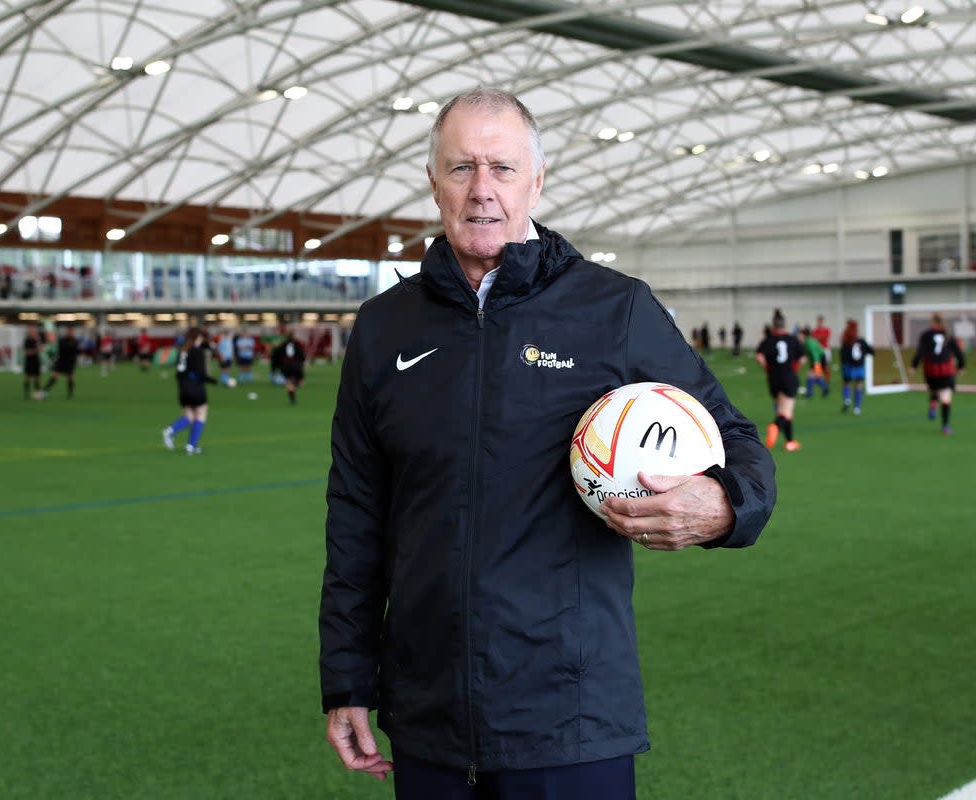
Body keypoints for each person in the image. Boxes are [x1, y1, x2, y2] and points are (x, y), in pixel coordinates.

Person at [319, 87, 776, 800]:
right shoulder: (383, 328)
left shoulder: (613, 309)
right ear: (432, 179)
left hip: (571, 714)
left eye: (502, 168)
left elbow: (739, 441)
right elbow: (355, 515)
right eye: (461, 167)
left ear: (537, 180)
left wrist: (724, 503)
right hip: (427, 715)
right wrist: (346, 678)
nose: (482, 191)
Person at [755, 309, 804, 451]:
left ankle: (789, 441)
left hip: (773, 378)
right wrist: (795, 368)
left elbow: (759, 356)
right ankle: (775, 426)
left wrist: (767, 368)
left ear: (773, 326)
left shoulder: (768, 340)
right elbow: (802, 358)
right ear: (785, 325)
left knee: (783, 410)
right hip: (789, 376)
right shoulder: (792, 340)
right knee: (786, 412)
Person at [161, 327, 215, 455]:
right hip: (195, 387)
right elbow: (201, 373)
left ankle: (170, 431)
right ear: (198, 338)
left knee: (190, 416)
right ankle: (190, 445)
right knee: (202, 412)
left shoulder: (182, 351)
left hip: (183, 387)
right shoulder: (197, 351)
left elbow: (178, 371)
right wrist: (212, 381)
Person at [911, 312, 965, 434]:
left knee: (934, 389)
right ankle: (945, 426)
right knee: (946, 396)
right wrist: (962, 366)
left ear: (932, 322)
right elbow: (958, 352)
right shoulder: (948, 335)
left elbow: (920, 352)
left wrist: (914, 366)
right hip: (945, 370)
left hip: (930, 370)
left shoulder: (925, 335)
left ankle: (933, 403)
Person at [839, 319, 874, 415]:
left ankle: (847, 399)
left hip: (848, 367)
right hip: (860, 367)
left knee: (846, 383)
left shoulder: (845, 341)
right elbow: (871, 351)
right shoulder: (861, 340)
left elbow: (842, 355)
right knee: (858, 386)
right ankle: (857, 408)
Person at [41, 325, 79, 398]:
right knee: (55, 376)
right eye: (70, 331)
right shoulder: (62, 340)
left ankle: (70, 394)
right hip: (61, 361)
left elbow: (75, 351)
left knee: (70, 377)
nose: (71, 333)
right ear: (67, 332)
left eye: (72, 331)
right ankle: (45, 390)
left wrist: (74, 359)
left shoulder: (74, 340)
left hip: (70, 362)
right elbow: (63, 349)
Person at [271, 328, 306, 405]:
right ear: (293, 336)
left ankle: (292, 397)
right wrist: (303, 363)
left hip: (285, 366)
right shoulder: (297, 343)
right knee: (301, 382)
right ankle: (294, 388)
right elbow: (301, 354)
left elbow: (275, 355)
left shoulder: (282, 344)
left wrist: (275, 366)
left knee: (289, 382)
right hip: (296, 366)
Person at [799, 327, 829, 399]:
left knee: (811, 375)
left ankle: (810, 393)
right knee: (815, 376)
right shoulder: (808, 341)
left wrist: (815, 365)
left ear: (804, 335)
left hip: (818, 359)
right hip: (819, 359)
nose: (799, 337)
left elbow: (814, 354)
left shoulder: (809, 342)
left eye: (800, 335)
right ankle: (824, 388)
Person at [22, 324, 42, 399]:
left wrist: (37, 343)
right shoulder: (27, 340)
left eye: (34, 331)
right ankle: (26, 393)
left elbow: (40, 349)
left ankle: (37, 394)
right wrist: (34, 350)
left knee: (37, 377)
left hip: (36, 360)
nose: (33, 332)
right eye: (31, 331)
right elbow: (27, 351)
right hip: (29, 360)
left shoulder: (37, 340)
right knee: (27, 377)